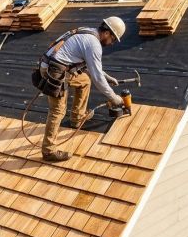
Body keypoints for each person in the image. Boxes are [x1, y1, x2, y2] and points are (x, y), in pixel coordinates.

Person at [40, 16, 126, 162]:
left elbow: (93, 69)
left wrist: (107, 77)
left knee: (84, 80)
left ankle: (77, 118)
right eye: (113, 39)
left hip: (54, 65)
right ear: (106, 33)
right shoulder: (94, 44)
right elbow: (97, 78)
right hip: (54, 72)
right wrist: (113, 97)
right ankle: (48, 151)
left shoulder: (88, 32)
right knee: (57, 111)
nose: (112, 43)